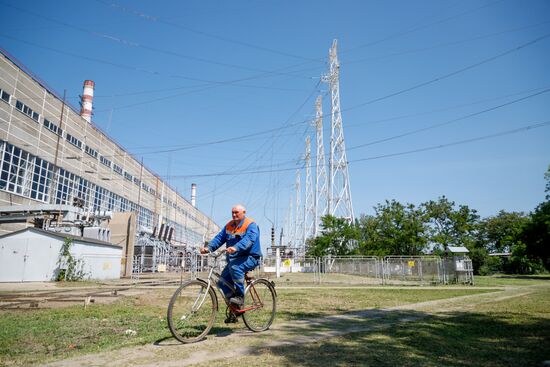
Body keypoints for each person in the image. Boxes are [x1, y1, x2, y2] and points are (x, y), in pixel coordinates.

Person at [200, 204, 262, 322]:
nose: (234, 215)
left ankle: (240, 296)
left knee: (235, 267)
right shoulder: (229, 226)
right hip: (234, 259)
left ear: (243, 212)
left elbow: (249, 239)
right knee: (222, 283)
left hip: (250, 257)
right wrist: (209, 248)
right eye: (232, 212)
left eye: (236, 212)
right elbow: (220, 238)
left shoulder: (250, 224)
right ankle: (235, 309)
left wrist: (236, 247)